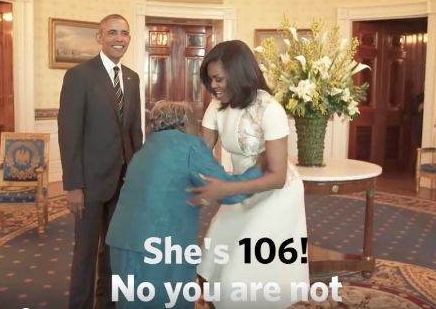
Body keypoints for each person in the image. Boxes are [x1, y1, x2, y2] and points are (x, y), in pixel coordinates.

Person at [106, 101, 269, 309]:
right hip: (160, 249)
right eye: (195, 123)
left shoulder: (145, 149)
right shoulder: (190, 146)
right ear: (183, 125)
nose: (199, 129)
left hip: (122, 242)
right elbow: (227, 191)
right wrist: (260, 167)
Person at [191, 40, 310, 309]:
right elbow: (200, 152)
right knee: (214, 254)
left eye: (219, 79)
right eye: (210, 80)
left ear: (239, 73)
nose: (214, 87)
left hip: (275, 194)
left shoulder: (270, 110)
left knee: (240, 271)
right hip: (238, 187)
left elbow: (277, 177)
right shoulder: (217, 106)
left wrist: (225, 189)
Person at [58, 13, 143, 309]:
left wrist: (137, 178)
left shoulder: (132, 78)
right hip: (89, 184)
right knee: (85, 252)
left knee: (114, 248)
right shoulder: (79, 76)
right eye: (113, 33)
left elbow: (135, 132)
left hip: (123, 182)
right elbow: (69, 135)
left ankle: (107, 303)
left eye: (124, 33)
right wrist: (74, 186)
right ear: (100, 37)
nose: (120, 38)